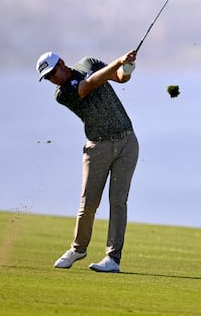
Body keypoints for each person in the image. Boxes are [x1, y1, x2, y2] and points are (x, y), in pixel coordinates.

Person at [36, 49, 139, 273]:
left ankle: (113, 259)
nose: (53, 79)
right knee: (89, 204)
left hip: (127, 142)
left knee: (118, 202)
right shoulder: (62, 94)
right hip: (97, 147)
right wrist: (118, 60)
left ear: (62, 63)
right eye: (49, 78)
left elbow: (120, 77)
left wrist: (128, 65)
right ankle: (78, 248)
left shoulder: (88, 62)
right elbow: (89, 85)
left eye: (54, 72)